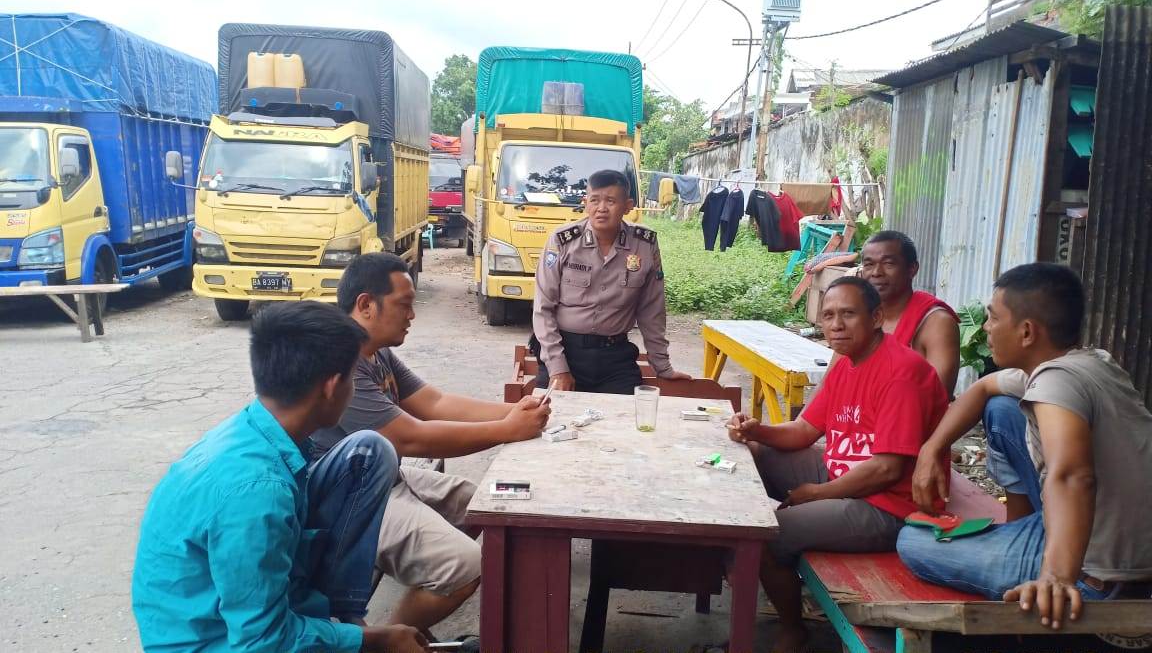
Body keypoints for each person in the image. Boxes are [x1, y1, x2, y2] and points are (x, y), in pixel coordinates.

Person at [132, 302, 426, 653]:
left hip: (230, 612)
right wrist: (373, 640)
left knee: (369, 452)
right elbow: (262, 642)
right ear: (332, 386)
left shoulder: (258, 430)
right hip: (215, 641)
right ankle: (340, 633)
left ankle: (338, 616)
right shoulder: (258, 492)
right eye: (352, 378)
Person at [898, 263, 1152, 630]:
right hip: (1116, 533)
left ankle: (1054, 571)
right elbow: (983, 388)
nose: (986, 328)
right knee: (1001, 409)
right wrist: (932, 448)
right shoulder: (1089, 362)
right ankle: (1023, 536)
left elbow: (1073, 475)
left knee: (912, 542)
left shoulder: (1055, 383)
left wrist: (1056, 577)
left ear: (1027, 332)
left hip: (1102, 572)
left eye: (993, 317)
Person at [312, 251, 551, 636]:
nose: (412, 315)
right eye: (403, 304)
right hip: (348, 498)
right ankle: (385, 640)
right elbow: (410, 437)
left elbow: (434, 402)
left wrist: (514, 412)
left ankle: (416, 590)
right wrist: (508, 429)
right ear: (366, 304)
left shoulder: (376, 352)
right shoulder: (341, 363)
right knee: (467, 564)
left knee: (475, 503)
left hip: (382, 477)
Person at [727, 276, 949, 653]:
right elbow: (803, 430)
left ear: (876, 318)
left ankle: (792, 629)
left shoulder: (901, 373)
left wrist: (817, 494)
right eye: (828, 315)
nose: (836, 325)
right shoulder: (847, 363)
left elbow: (887, 470)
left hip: (890, 507)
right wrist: (755, 430)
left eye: (848, 314)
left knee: (765, 536)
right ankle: (747, 566)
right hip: (844, 476)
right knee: (755, 453)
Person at [532, 168, 692, 393]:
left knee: (628, 412)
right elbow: (543, 308)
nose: (601, 208)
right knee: (550, 412)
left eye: (610, 201)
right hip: (565, 351)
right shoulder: (562, 241)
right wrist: (558, 369)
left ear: (628, 206)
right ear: (585, 203)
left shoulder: (644, 245)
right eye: (594, 200)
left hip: (615, 356)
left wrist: (662, 366)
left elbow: (652, 311)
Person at [858, 230, 961, 393]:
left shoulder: (937, 323)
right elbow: (830, 383)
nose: (876, 272)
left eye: (888, 264)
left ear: (912, 269)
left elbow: (937, 396)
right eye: (869, 265)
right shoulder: (860, 318)